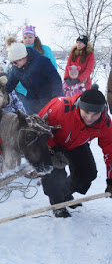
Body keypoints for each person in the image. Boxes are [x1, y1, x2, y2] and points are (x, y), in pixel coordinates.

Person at [38, 86, 112, 218]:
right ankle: (57, 203)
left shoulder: (105, 123)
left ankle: (65, 193)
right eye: (86, 112)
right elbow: (37, 130)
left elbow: (110, 150)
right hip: (52, 143)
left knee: (87, 174)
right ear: (79, 106)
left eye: (95, 114)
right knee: (54, 177)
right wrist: (51, 148)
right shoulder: (60, 107)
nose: (90, 118)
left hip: (77, 143)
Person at [4, 36, 63, 114]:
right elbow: (10, 84)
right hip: (32, 100)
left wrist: (57, 98)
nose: (14, 65)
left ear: (22, 58)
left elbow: (55, 79)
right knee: (32, 121)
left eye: (15, 62)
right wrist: (2, 93)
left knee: (51, 120)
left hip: (49, 96)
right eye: (12, 63)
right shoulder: (16, 68)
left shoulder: (42, 61)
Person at [15, 25, 58, 111]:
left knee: (42, 115)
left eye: (30, 37)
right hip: (21, 91)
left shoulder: (45, 49)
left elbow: (53, 67)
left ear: (35, 37)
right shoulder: (17, 50)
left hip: (41, 90)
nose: (27, 39)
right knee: (25, 117)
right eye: (25, 37)